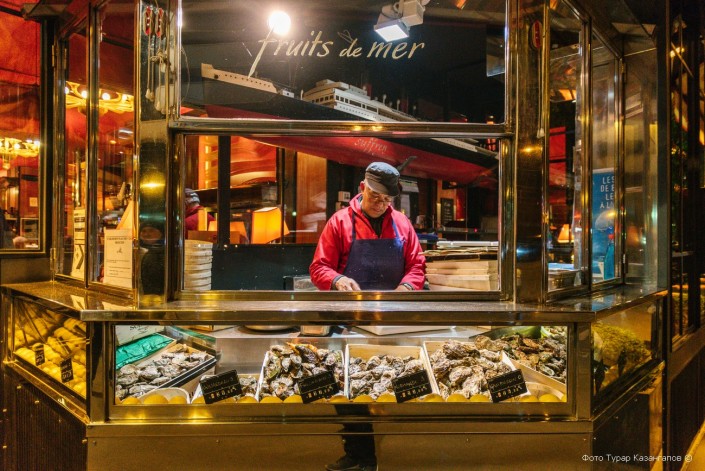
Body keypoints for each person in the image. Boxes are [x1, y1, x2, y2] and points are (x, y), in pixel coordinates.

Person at [310, 162, 425, 291]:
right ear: (363, 187)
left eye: (387, 199)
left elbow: (417, 266)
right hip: (350, 302)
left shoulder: (403, 223)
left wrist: (406, 287)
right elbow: (319, 268)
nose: (380, 205)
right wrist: (337, 280)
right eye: (375, 196)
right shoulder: (339, 221)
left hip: (394, 302)